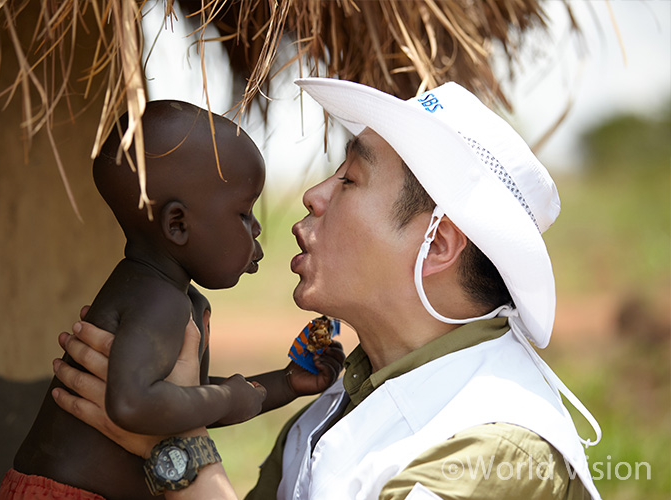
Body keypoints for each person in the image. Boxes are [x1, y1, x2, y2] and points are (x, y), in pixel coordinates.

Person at [49, 79, 605, 500]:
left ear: (436, 245)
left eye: (350, 179)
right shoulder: (333, 408)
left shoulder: (491, 454)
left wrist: (175, 448)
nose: (313, 195)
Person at [1, 101, 345, 500]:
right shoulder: (157, 301)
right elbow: (134, 405)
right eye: (243, 213)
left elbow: (180, 401)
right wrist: (229, 397)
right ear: (177, 224)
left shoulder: (175, 296)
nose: (256, 228)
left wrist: (282, 383)